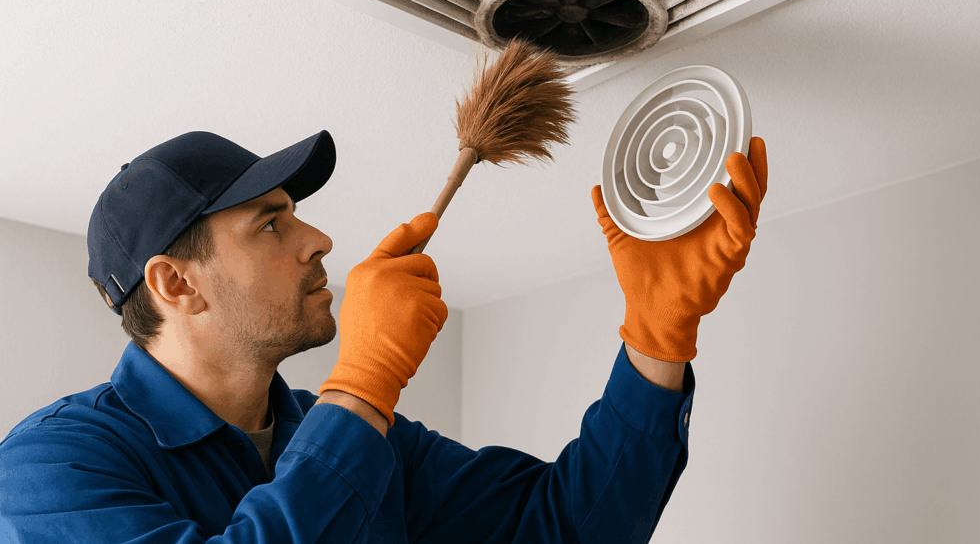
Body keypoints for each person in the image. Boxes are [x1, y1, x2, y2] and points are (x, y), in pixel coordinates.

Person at [0, 129, 768, 543]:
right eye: (272, 222)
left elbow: (570, 527)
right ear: (176, 282)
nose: (319, 238)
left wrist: (657, 338)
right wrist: (363, 379)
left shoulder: (377, 444)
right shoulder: (46, 468)